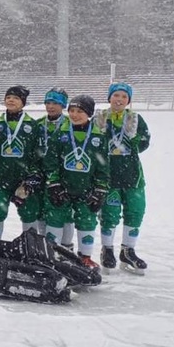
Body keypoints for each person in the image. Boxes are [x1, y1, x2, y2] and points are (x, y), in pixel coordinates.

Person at [43, 95, 109, 268]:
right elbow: (51, 161)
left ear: (89, 113)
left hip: (86, 189)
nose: (74, 115)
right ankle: (53, 253)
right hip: (63, 187)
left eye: (80, 111)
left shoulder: (98, 137)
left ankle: (85, 257)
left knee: (87, 219)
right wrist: (54, 183)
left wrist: (100, 189)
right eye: (71, 111)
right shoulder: (61, 133)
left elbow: (103, 168)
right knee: (55, 216)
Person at [95, 82, 150, 273]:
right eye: (116, 95)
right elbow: (91, 143)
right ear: (109, 97)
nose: (119, 100)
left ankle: (128, 250)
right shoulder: (100, 117)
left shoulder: (135, 118)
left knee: (135, 211)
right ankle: (107, 249)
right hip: (108, 174)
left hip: (132, 175)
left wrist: (134, 139)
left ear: (128, 100)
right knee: (109, 214)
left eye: (124, 97)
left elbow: (144, 142)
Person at [0, 86, 40, 242]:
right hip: (0, 179)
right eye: (8, 97)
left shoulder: (33, 126)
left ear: (23, 102)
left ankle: (31, 248)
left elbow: (38, 154)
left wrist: (32, 177)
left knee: (29, 213)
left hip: (24, 180)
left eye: (15, 98)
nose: (11, 100)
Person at [34, 87, 73, 246]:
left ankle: (66, 247)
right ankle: (46, 246)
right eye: (48, 102)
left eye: (55, 103)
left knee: (63, 211)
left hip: (62, 176)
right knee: (42, 211)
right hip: (41, 174)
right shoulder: (38, 125)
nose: (51, 106)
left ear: (63, 105)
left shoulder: (71, 124)